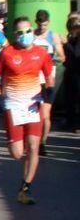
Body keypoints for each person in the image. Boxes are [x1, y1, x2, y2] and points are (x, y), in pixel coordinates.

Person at [0, 16, 54, 204]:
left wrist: (49, 90)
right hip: (14, 105)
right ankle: (17, 141)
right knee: (17, 153)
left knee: (34, 147)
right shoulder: (7, 53)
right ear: (15, 35)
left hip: (33, 105)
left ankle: (25, 188)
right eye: (20, 33)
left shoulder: (41, 53)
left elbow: (49, 76)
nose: (25, 35)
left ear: (32, 31)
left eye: (28, 31)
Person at [32, 10, 65, 156]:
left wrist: (49, 60)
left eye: (45, 24)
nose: (42, 27)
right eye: (40, 24)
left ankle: (43, 143)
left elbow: (62, 57)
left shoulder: (53, 36)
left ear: (48, 23)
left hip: (47, 80)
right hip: (31, 79)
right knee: (32, 113)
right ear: (36, 22)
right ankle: (32, 139)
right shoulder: (31, 35)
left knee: (45, 115)